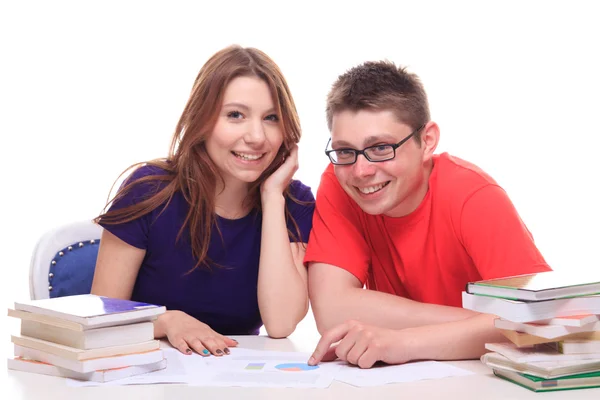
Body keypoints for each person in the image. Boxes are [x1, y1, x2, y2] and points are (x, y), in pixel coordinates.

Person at [305, 60, 551, 369]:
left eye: (380, 147)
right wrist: (477, 324)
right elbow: (332, 311)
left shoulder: (474, 196)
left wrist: (404, 342)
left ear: (427, 141)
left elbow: (524, 325)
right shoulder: (340, 182)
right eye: (344, 151)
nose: (361, 171)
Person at [91, 45, 314, 357]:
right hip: (149, 374)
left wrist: (272, 196)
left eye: (271, 118)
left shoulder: (293, 202)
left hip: (235, 376)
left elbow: (280, 324)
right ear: (203, 120)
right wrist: (165, 321)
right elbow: (100, 321)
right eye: (235, 115)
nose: (257, 136)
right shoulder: (148, 191)